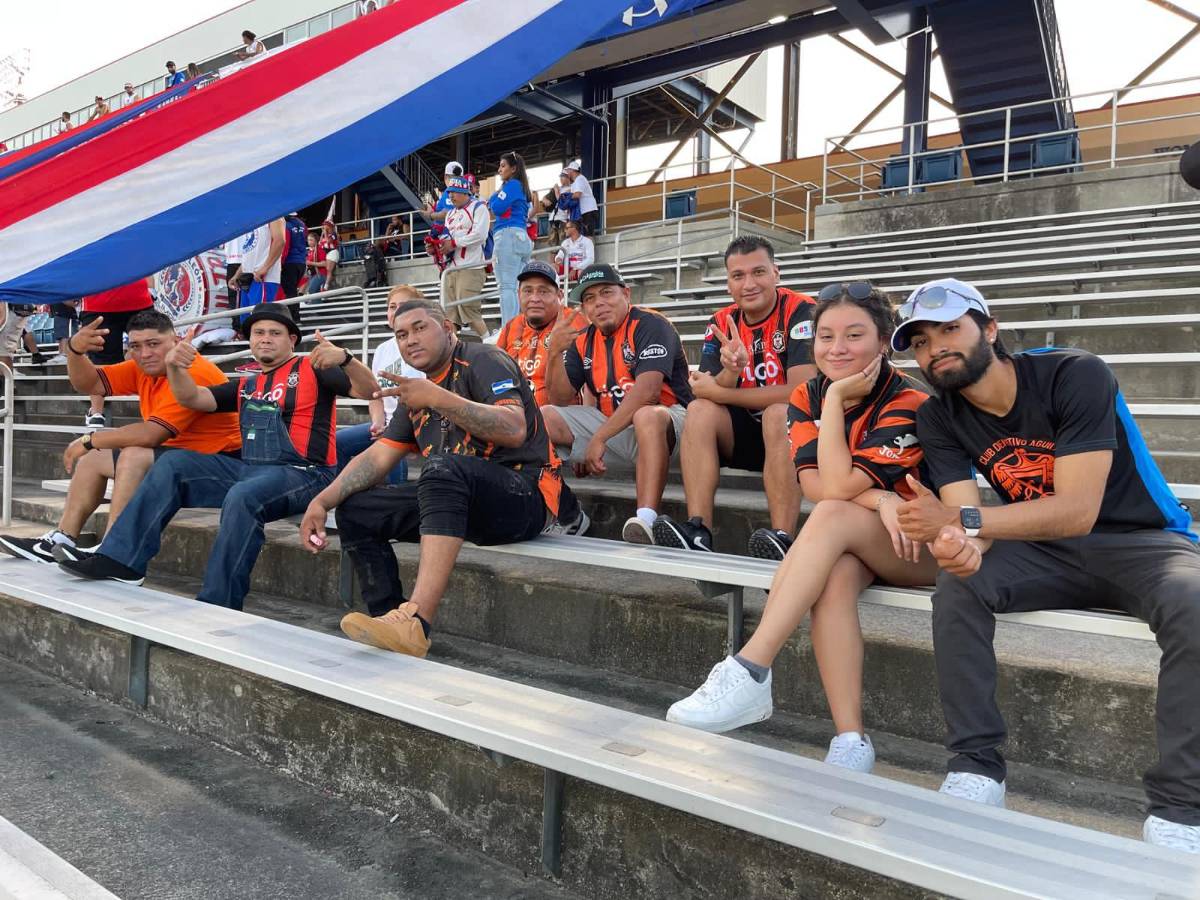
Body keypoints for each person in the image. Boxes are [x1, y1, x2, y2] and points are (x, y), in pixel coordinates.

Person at [887, 278, 1200, 852]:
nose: (936, 349)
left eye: (950, 329)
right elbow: (966, 522)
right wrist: (958, 546)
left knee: (1195, 601)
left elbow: (1077, 511)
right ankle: (976, 769)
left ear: (990, 329)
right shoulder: (940, 416)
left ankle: (1181, 808)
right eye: (921, 342)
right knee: (958, 585)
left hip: (1141, 539)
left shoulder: (1073, 373)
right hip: (1041, 547)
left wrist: (960, 523)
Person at [666, 284, 935, 774]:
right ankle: (851, 741)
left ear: (883, 342)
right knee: (833, 578)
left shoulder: (909, 400)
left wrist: (835, 402)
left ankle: (750, 668)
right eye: (826, 336)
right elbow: (814, 484)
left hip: (923, 543)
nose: (837, 348)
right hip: (861, 537)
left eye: (854, 335)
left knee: (830, 516)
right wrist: (879, 496)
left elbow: (833, 491)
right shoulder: (806, 394)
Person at [298, 299, 585, 658]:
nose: (410, 340)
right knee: (357, 508)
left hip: (526, 495)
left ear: (448, 328)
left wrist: (437, 397)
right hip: (460, 498)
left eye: (420, 328)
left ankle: (416, 623)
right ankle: (389, 618)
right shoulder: (418, 392)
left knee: (442, 468)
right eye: (401, 335)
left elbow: (513, 429)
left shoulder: (484, 359)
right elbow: (378, 456)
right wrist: (322, 502)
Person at [56, 305, 380, 610]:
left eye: (275, 332)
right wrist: (175, 367)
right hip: (252, 470)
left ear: (292, 340)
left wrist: (347, 359)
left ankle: (218, 603)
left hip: (305, 473)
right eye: (258, 332)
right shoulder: (246, 385)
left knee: (243, 495)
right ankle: (121, 561)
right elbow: (192, 398)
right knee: (173, 464)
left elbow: (369, 391)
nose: (265, 338)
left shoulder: (314, 369)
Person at [0, 311, 241, 564]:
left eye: (154, 344)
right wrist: (75, 351)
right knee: (95, 459)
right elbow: (91, 384)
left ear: (176, 341)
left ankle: (113, 550)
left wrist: (89, 440)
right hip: (180, 458)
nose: (145, 353)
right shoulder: (143, 367)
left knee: (133, 455)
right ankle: (62, 539)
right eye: (136, 346)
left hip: (219, 465)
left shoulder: (193, 372)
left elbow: (152, 434)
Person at [652, 236, 815, 557]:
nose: (749, 284)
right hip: (747, 436)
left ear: (776, 273)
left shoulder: (801, 311)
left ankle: (782, 537)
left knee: (778, 413)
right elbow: (706, 390)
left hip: (797, 437)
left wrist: (723, 390)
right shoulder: (721, 321)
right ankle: (698, 530)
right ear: (728, 283)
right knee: (700, 410)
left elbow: (801, 391)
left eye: (759, 272)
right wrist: (731, 370)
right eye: (738, 276)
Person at [542, 264, 693, 543]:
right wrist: (554, 352)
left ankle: (645, 520)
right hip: (619, 429)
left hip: (676, 428)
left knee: (647, 415)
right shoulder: (583, 339)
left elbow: (648, 391)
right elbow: (560, 399)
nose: (599, 303)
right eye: (589, 298)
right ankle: (561, 511)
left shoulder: (650, 323)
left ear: (626, 294)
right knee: (545, 417)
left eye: (606, 293)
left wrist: (598, 438)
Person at [335, 284, 425, 485]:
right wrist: (378, 423)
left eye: (404, 305)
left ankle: (396, 496)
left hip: (420, 424)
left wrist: (394, 428)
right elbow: (375, 395)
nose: (397, 311)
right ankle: (344, 498)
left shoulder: (426, 345)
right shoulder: (382, 349)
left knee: (391, 441)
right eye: (392, 306)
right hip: (389, 425)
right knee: (337, 443)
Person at [496, 260, 588, 406]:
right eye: (528, 291)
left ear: (559, 295)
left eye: (543, 291)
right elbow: (497, 376)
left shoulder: (574, 324)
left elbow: (567, 397)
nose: (535, 298)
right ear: (518, 294)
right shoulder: (511, 327)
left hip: (556, 413)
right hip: (515, 411)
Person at [80, 277, 156, 429]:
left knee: (150, 352)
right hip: (100, 300)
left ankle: (156, 402)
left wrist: (151, 289)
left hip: (136, 298)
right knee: (100, 357)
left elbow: (145, 265)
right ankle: (96, 411)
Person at [440, 176, 492, 340]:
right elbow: (446, 237)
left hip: (472, 266)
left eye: (454, 192)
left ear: (465, 192)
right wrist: (436, 247)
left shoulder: (479, 207)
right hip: (451, 268)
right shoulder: (450, 214)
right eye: (449, 193)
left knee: (467, 306)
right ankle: (452, 348)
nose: (451, 196)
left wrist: (454, 243)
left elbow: (480, 235)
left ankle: (489, 341)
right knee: (450, 314)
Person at [488, 151, 533, 325]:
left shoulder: (512, 185)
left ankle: (509, 328)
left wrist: (494, 196)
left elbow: (496, 207)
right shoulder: (521, 186)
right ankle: (519, 326)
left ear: (513, 168)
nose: (499, 169)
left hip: (508, 235)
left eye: (503, 166)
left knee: (507, 286)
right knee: (517, 287)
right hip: (521, 236)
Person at [279, 213, 309, 323]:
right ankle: (295, 316)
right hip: (301, 262)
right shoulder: (302, 224)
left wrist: (280, 263)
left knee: (290, 292)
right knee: (292, 291)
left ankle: (294, 318)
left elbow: (285, 245)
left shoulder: (285, 225)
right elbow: (305, 239)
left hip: (289, 261)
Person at [0, 302, 35, 379]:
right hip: (17, 309)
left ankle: (8, 377)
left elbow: (2, 316)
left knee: (4, 350)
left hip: (13, 311)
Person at [564, 159, 599, 236]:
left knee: (588, 234)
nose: (567, 173)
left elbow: (577, 194)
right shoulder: (577, 181)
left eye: (568, 170)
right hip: (585, 211)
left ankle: (590, 244)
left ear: (572, 170)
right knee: (585, 234)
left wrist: (567, 198)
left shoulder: (580, 179)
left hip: (588, 210)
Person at [555, 219, 594, 284]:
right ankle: (555, 288)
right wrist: (558, 259)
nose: (565, 230)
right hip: (569, 269)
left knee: (581, 272)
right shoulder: (565, 242)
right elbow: (559, 255)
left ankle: (581, 289)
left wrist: (576, 268)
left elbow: (590, 260)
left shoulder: (587, 241)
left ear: (574, 228)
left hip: (582, 269)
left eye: (566, 228)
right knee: (553, 266)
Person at [306, 220, 339, 296]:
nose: (324, 228)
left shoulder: (333, 234)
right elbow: (321, 243)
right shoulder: (322, 238)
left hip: (332, 252)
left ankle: (326, 287)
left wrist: (325, 232)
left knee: (329, 270)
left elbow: (328, 241)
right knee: (328, 271)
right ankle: (324, 286)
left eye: (326, 226)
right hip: (327, 253)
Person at [47, 300, 79, 365]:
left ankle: (64, 354)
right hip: (59, 308)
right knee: (61, 334)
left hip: (65, 309)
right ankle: (61, 354)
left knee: (63, 333)